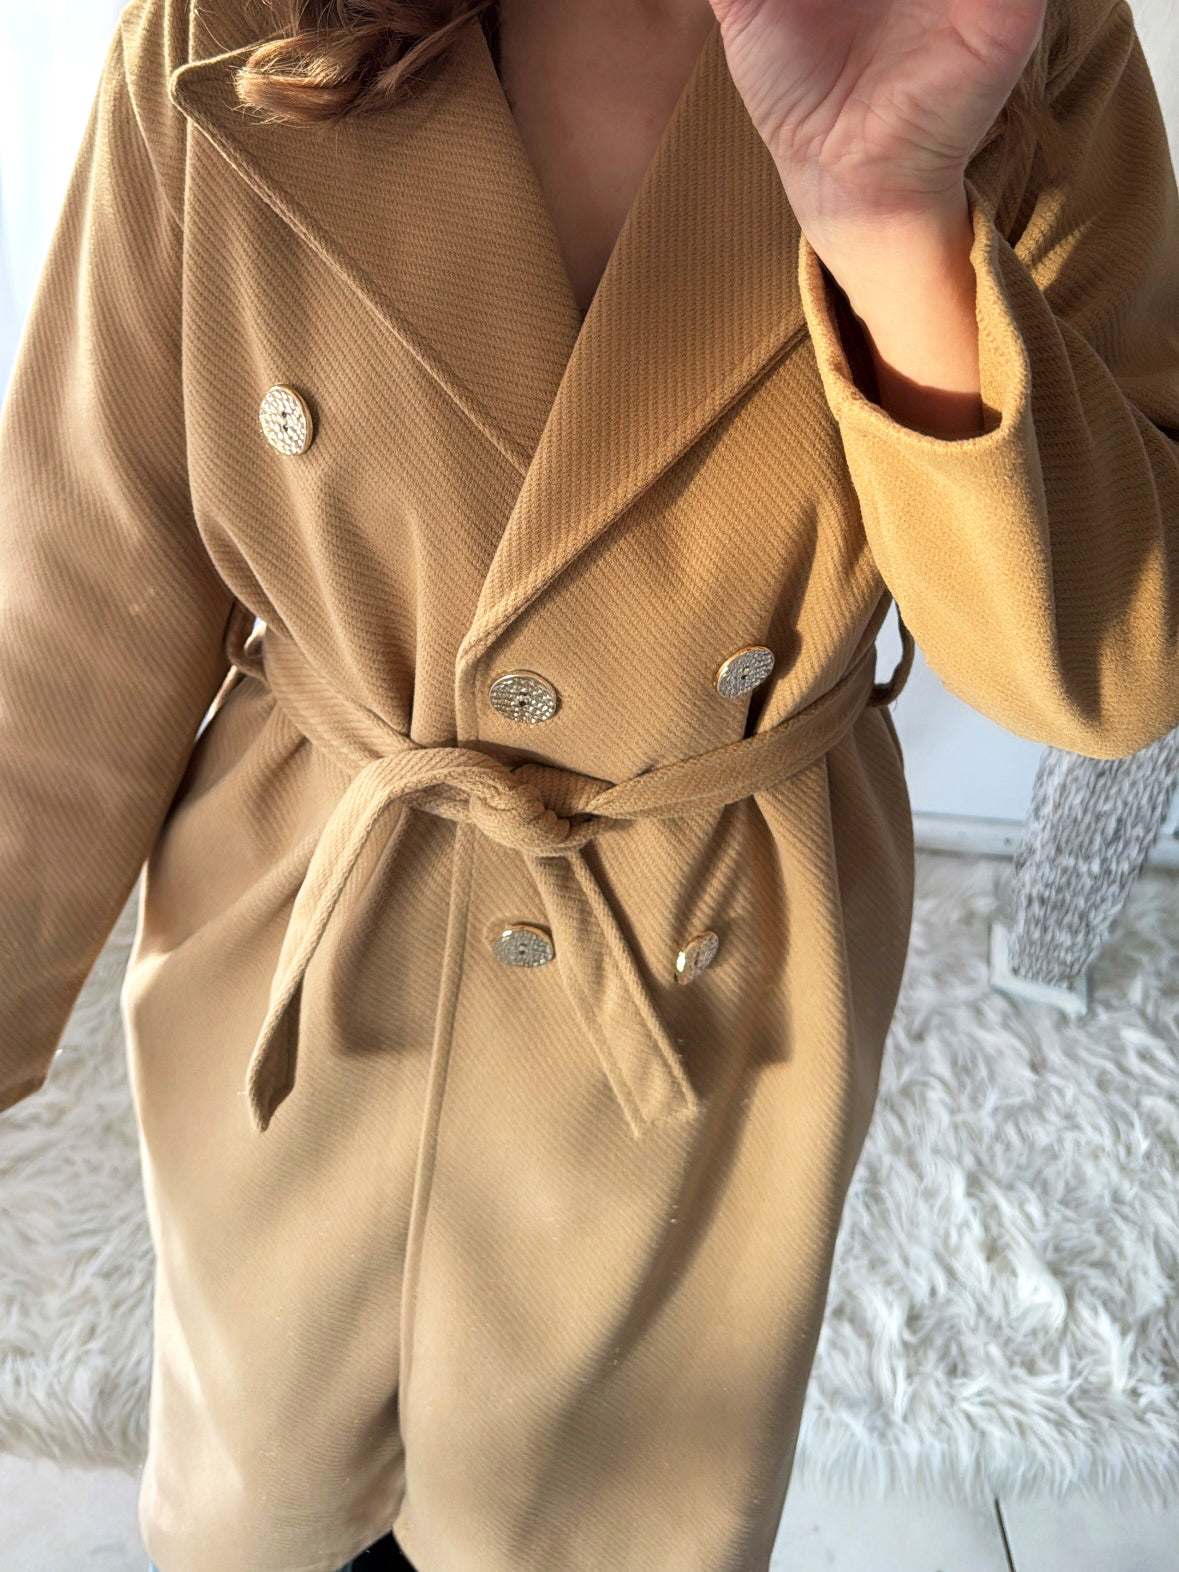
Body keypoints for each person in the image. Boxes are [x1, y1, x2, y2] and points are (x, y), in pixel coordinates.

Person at [3, 0, 1178, 1569]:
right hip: (303, 952)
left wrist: (893, 226)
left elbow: (1104, 670)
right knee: (271, 1484)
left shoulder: (1011, 35)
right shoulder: (236, 19)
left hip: (705, 991)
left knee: (602, 1515)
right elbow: (80, 595)